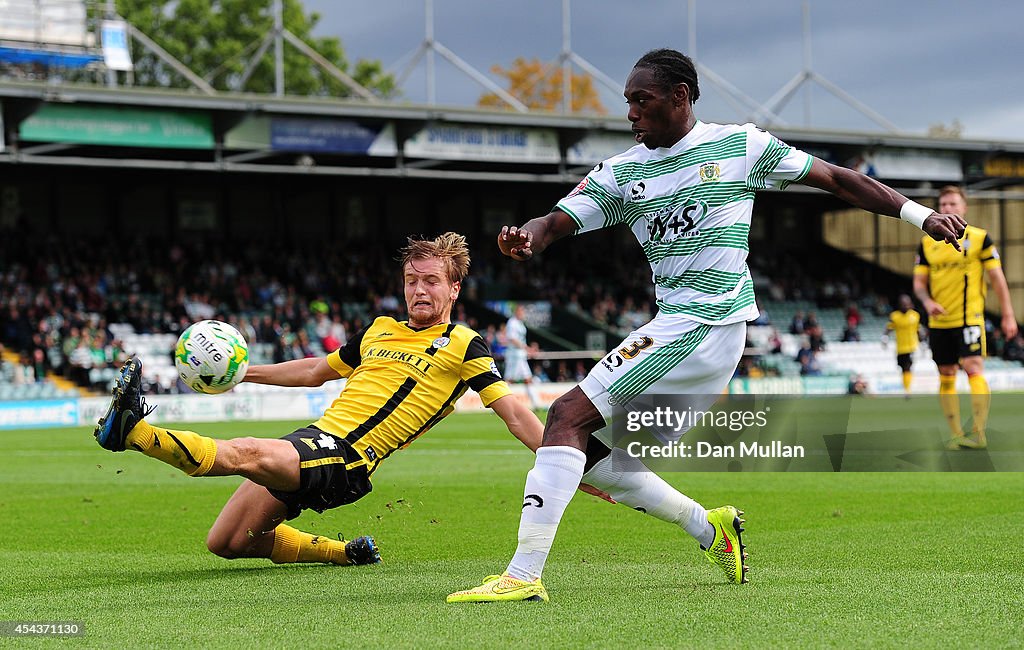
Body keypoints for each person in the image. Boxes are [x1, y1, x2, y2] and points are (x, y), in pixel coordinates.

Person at [448, 48, 966, 603]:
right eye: (627, 103)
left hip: (710, 319)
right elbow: (554, 221)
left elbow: (837, 179)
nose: (631, 114)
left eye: (642, 101)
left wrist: (921, 215)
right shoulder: (624, 172)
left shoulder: (741, 146)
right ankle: (709, 527)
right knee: (594, 454)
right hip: (678, 324)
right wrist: (526, 237)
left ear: (681, 96)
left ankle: (523, 577)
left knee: (566, 416)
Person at [93, 233, 597, 568]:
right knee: (225, 544)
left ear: (454, 288)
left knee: (246, 453)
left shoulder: (465, 344)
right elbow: (316, 370)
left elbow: (514, 414)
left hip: (348, 458)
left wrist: (571, 465)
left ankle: (133, 432)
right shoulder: (379, 329)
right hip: (314, 442)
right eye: (411, 281)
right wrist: (243, 374)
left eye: (431, 282)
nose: (419, 290)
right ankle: (344, 553)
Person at [912, 186, 1018, 449]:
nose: (948, 208)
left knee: (973, 367)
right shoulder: (927, 242)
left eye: (953, 204)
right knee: (946, 374)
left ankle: (979, 432)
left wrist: (1008, 315)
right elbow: (918, 283)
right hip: (939, 322)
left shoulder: (980, 238)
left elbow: (997, 279)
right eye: (943, 204)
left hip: (970, 317)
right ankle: (955, 434)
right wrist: (927, 302)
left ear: (964, 208)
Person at [502, 304, 541, 410]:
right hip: (514, 356)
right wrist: (527, 349)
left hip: (520, 356)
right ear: (517, 312)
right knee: (509, 380)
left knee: (528, 379)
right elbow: (512, 339)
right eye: (522, 311)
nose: (523, 314)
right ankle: (498, 404)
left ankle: (536, 404)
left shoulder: (520, 323)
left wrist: (526, 350)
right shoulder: (512, 323)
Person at [885, 294, 921, 397]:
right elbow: (889, 328)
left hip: (912, 347)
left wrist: (922, 342)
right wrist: (885, 337)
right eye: (903, 304)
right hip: (900, 347)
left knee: (907, 367)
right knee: (902, 368)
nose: (905, 306)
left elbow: (918, 329)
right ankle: (906, 387)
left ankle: (907, 390)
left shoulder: (915, 315)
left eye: (907, 304)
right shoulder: (894, 316)